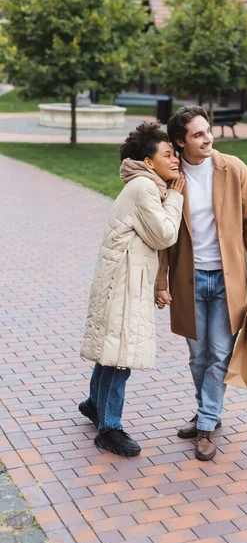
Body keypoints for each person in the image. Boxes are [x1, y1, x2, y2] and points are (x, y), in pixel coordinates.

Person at [155, 106, 247, 461]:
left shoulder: (233, 169)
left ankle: (206, 424)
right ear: (179, 141)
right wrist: (161, 281)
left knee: (219, 354)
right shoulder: (171, 177)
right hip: (188, 281)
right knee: (197, 357)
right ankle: (208, 411)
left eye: (208, 131)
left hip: (226, 280)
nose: (208, 139)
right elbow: (162, 236)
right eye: (198, 134)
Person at [79, 122, 185, 457]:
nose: (175, 160)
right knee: (120, 357)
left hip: (123, 281)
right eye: (168, 154)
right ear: (148, 161)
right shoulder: (144, 187)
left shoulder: (146, 184)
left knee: (113, 349)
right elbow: (164, 235)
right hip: (123, 284)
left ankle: (95, 405)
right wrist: (178, 197)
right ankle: (109, 428)